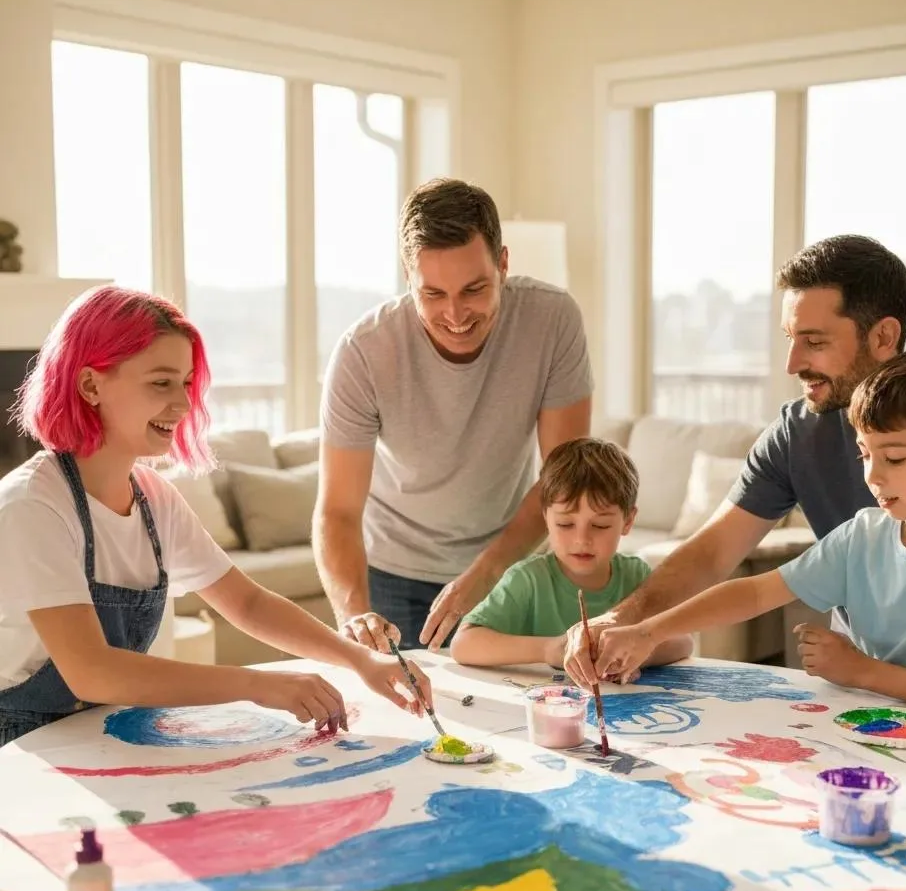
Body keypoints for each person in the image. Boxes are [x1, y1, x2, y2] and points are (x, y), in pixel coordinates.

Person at [562, 234, 906, 680]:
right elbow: (713, 553)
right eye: (789, 337)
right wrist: (623, 621)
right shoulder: (795, 434)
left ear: (883, 336)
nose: (791, 363)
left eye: (815, 341)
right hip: (864, 694)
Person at [0, 286, 433, 748]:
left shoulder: (153, 499)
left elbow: (246, 603)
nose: (184, 404)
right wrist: (259, 685)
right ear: (90, 385)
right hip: (21, 748)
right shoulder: (32, 505)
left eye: (186, 383)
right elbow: (93, 672)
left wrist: (361, 661)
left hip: (96, 732)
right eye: (161, 383)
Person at [588, 347, 906, 727]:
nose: (872, 475)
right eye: (864, 454)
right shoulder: (862, 536)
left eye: (894, 457)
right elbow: (755, 594)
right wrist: (646, 631)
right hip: (865, 731)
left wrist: (863, 671)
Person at [316, 177, 592, 653]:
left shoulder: (553, 320)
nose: (456, 314)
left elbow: (560, 477)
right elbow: (338, 512)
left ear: (503, 264)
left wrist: (488, 571)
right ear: (408, 278)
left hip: (512, 564)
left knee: (524, 712)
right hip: (394, 573)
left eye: (474, 289)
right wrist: (354, 614)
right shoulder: (364, 351)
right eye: (433, 294)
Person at [451, 437, 692, 674]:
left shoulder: (638, 576)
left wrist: (633, 654)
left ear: (628, 521)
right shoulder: (528, 579)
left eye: (600, 526)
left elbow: (683, 642)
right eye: (566, 524)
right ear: (546, 518)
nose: (582, 540)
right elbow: (463, 644)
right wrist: (550, 649)